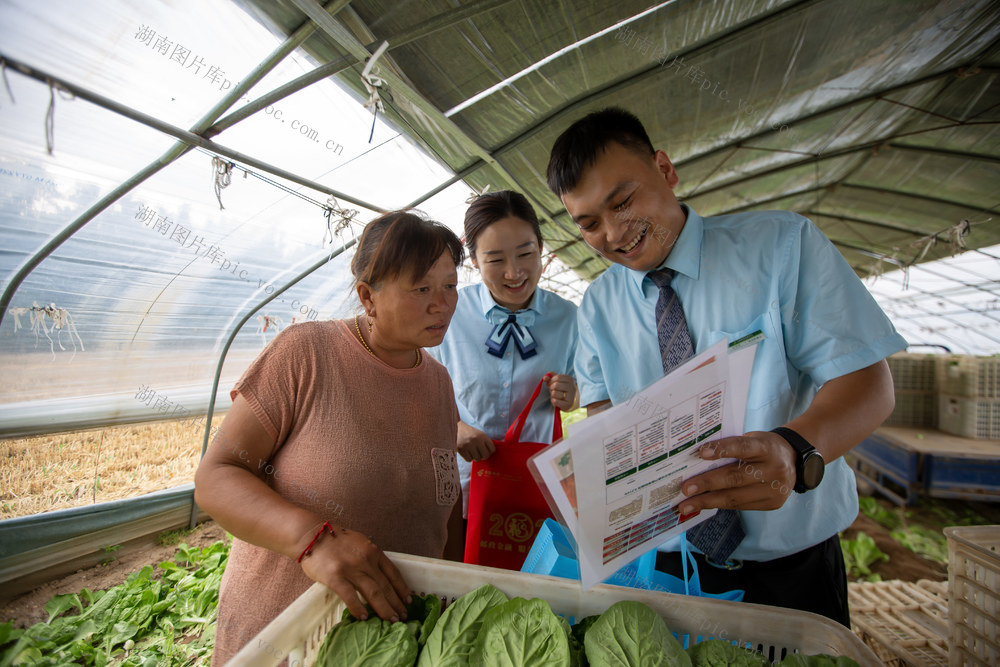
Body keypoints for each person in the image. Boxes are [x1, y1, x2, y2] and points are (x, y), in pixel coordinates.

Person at [546, 107, 904, 626]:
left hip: (790, 569)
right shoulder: (599, 304)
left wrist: (793, 450)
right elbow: (604, 413)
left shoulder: (781, 248)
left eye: (622, 202)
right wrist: (593, 474)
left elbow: (868, 382)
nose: (614, 232)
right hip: (668, 572)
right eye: (589, 224)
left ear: (665, 171)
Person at [194, 211, 466, 664]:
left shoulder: (438, 382)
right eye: (422, 288)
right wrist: (312, 540)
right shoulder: (305, 354)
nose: (442, 303)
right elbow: (218, 475)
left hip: (387, 646)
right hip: (286, 637)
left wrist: (452, 588)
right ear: (368, 296)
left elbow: (445, 503)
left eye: (450, 285)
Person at [428, 190, 578, 521]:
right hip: (459, 490)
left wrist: (573, 394)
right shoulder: (449, 313)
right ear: (475, 261)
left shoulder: (568, 318)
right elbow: (416, 391)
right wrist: (453, 428)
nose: (514, 272)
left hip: (533, 484)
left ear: (540, 248)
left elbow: (589, 387)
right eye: (496, 260)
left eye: (525, 254)